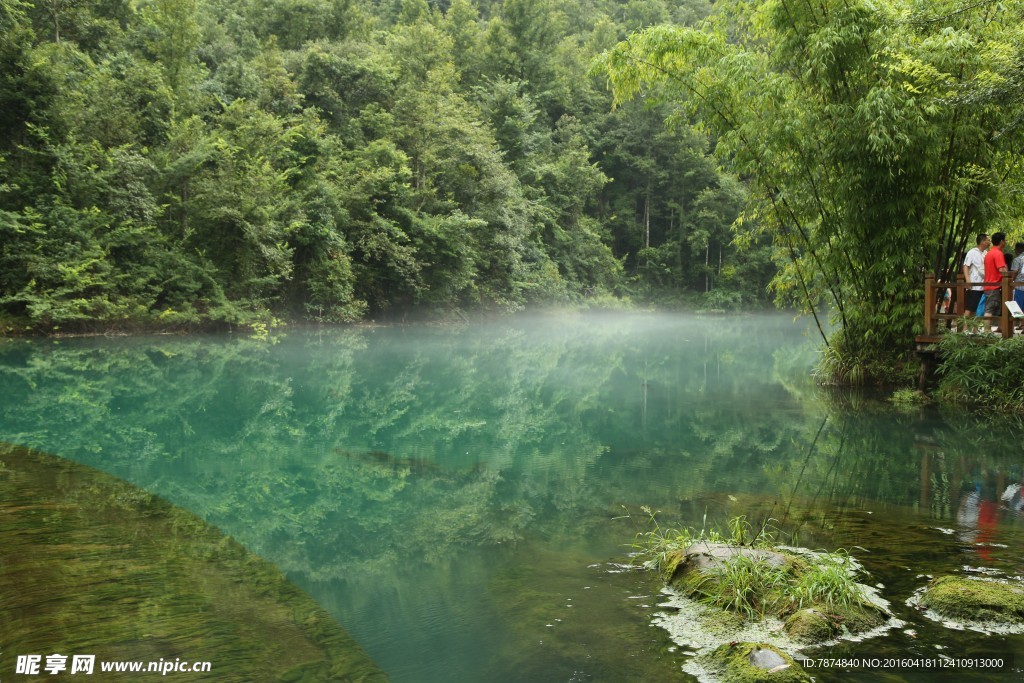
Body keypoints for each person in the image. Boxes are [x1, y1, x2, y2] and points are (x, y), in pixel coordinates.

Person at [983, 231, 1009, 328]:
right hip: (994, 286)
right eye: (1005, 240)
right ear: (1001, 241)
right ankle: (986, 333)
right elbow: (1002, 270)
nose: (1005, 242)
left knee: (990, 308)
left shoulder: (989, 253)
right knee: (990, 310)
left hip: (988, 285)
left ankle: (991, 331)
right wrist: (1009, 275)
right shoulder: (998, 253)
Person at [962, 233, 989, 317]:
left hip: (983, 284)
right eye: (988, 240)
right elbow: (966, 266)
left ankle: (974, 329)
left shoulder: (986, 253)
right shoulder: (972, 252)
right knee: (970, 308)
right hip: (974, 285)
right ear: (982, 241)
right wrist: (968, 280)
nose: (989, 242)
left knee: (977, 308)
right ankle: (964, 329)